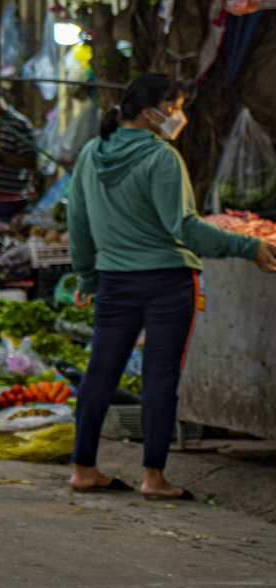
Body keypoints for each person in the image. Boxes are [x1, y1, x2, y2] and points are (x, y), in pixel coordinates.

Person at [66, 75, 276, 499]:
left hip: (113, 282)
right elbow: (184, 227)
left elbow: (79, 224)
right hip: (166, 283)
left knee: (100, 372)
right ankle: (153, 478)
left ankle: (83, 469)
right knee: (161, 378)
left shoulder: (92, 153)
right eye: (173, 104)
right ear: (150, 111)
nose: (178, 114)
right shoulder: (161, 158)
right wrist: (248, 246)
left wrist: (87, 276)